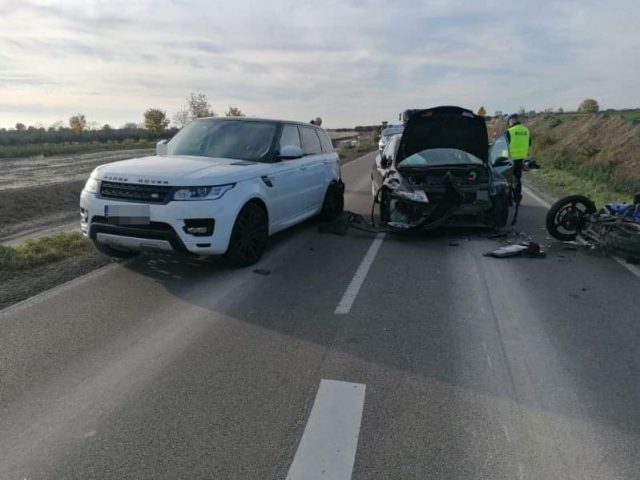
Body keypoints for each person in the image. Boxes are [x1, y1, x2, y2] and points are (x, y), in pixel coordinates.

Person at [505, 113, 531, 204]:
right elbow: (529, 143)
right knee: (517, 179)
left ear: (511, 120)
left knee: (507, 180)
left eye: (509, 121)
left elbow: (504, 146)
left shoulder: (509, 131)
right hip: (521, 159)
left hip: (510, 159)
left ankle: (508, 200)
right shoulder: (526, 130)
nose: (509, 123)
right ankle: (517, 199)